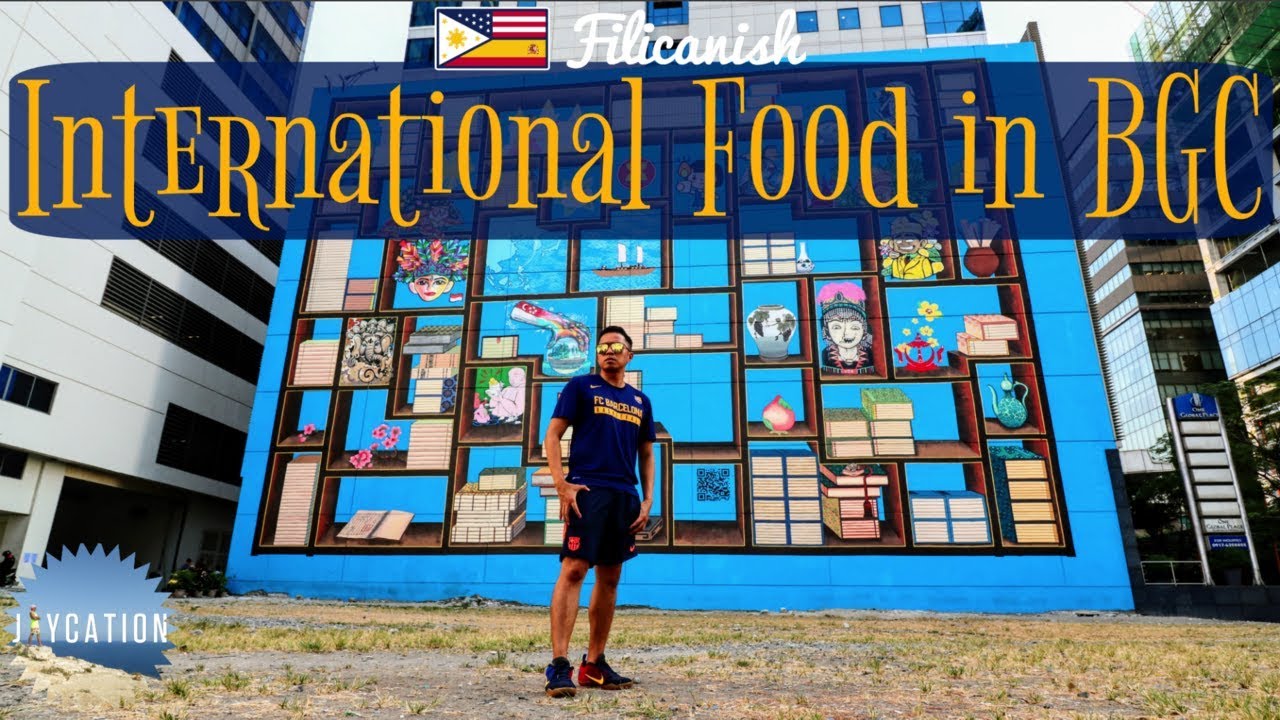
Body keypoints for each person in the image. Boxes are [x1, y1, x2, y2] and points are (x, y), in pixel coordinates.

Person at [543, 326, 656, 698]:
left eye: (617, 347)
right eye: (604, 346)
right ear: (597, 354)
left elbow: (646, 453)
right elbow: (552, 435)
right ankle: (560, 665)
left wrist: (647, 500)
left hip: (624, 495)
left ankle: (594, 665)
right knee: (574, 569)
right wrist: (561, 483)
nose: (609, 351)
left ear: (629, 356)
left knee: (610, 578)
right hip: (586, 491)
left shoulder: (641, 401)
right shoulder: (580, 387)